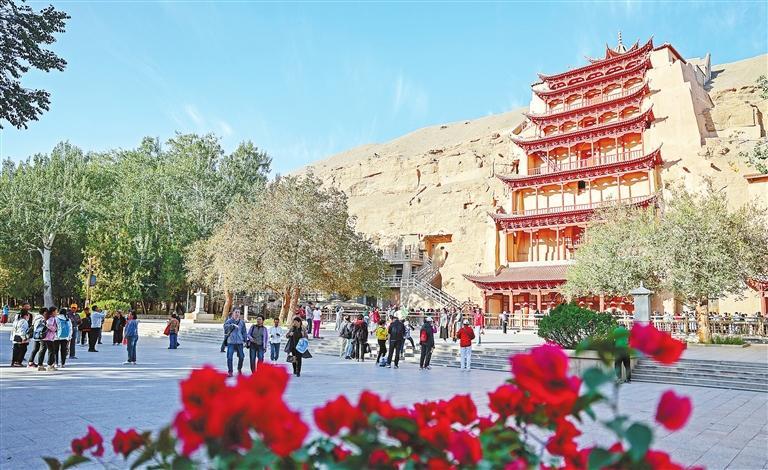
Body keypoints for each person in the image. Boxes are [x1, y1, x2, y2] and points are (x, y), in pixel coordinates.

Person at [223, 310, 247, 377]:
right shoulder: (229, 321)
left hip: (239, 342)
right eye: (236, 312)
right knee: (229, 357)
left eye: (238, 312)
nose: (237, 314)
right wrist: (231, 325)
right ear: (233, 313)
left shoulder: (242, 322)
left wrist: (245, 340)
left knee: (241, 357)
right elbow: (225, 327)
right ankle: (230, 372)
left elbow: (244, 332)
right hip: (231, 342)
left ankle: (239, 369)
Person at [42, 306, 59, 371]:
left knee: (51, 351)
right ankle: (50, 365)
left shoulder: (49, 317)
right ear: (53, 312)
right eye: (56, 311)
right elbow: (48, 325)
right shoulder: (51, 318)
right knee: (51, 351)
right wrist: (55, 329)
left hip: (48, 337)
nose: (57, 313)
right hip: (49, 337)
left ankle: (50, 365)